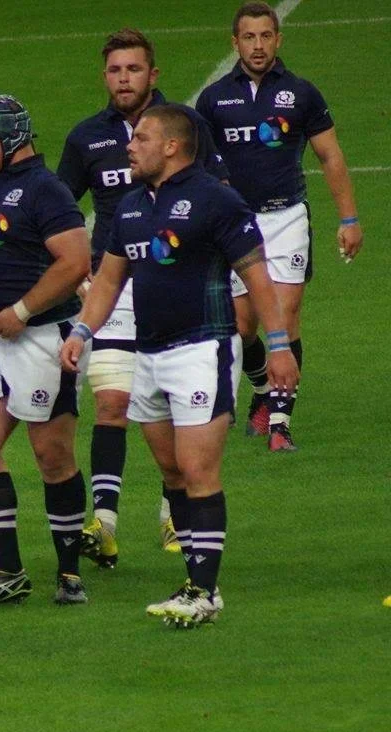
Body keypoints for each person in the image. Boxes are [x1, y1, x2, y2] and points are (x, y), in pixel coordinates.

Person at [60, 104, 300, 628]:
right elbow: (108, 280)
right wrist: (82, 330)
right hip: (148, 354)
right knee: (171, 471)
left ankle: (203, 589)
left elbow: (258, 278)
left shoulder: (217, 200)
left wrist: (278, 345)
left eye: (141, 138)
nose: (130, 145)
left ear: (171, 146)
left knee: (197, 470)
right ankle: (197, 580)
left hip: (201, 350)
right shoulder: (129, 207)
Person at [57, 28, 230, 566]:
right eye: (114, 70)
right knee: (112, 404)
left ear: (152, 75)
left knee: (172, 414)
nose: (124, 78)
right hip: (115, 288)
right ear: (104, 76)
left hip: (176, 284)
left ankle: (174, 517)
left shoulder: (185, 127)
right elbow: (59, 210)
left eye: (133, 69)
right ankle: (104, 522)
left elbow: (215, 197)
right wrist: (80, 275)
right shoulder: (87, 137)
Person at [195, 1, 363, 451]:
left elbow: (330, 156)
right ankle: (259, 391)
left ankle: (280, 424)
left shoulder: (302, 94)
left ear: (278, 39)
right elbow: (200, 165)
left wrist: (349, 218)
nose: (257, 45)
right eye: (248, 37)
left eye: (265, 36)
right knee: (243, 324)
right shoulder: (213, 100)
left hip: (287, 217)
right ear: (235, 43)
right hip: (235, 225)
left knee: (285, 319)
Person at [0, 95, 93, 607]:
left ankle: (69, 573)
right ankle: (9, 569)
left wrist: (22, 308)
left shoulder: (46, 190)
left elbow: (76, 260)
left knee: (51, 455)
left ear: (12, 139)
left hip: (42, 340)